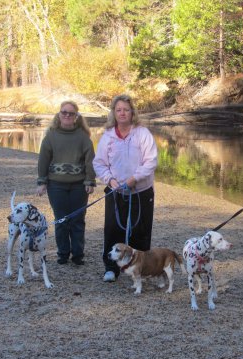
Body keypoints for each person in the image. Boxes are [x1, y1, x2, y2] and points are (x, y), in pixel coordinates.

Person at [93, 94, 158, 282]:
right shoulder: (107, 136)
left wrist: (134, 179)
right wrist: (110, 180)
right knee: (113, 229)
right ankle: (111, 268)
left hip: (141, 191)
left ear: (132, 113)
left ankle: (141, 269)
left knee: (140, 230)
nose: (122, 113)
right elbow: (99, 164)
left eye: (126, 110)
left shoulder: (143, 133)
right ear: (114, 112)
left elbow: (151, 161)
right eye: (119, 110)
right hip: (115, 191)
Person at [36, 100, 96, 265]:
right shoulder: (51, 136)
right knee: (61, 220)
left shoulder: (83, 138)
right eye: (64, 112)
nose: (67, 115)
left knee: (77, 220)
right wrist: (42, 182)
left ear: (76, 116)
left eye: (71, 113)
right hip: (56, 185)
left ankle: (78, 255)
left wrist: (89, 181)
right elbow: (43, 160)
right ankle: (63, 253)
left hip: (78, 186)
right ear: (59, 114)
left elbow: (90, 161)